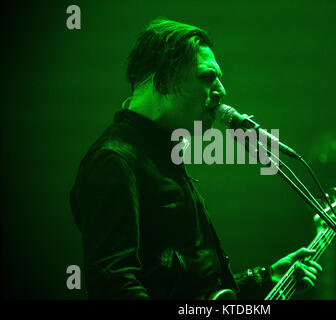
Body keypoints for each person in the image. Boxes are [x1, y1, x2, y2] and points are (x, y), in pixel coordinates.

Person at [70, 18, 322, 300]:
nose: (221, 91)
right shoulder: (114, 161)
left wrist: (264, 278)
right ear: (163, 80)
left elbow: (191, 291)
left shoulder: (163, 154)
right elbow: (114, 287)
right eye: (207, 77)